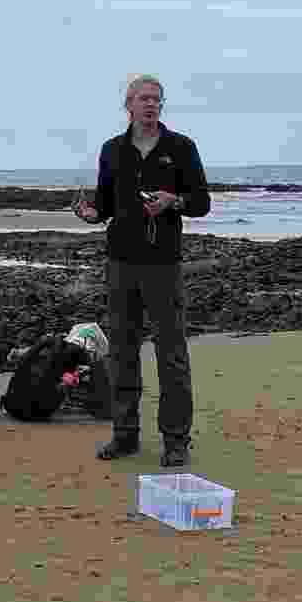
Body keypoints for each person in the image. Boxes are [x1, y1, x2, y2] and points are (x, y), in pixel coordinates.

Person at [72, 74, 209, 468]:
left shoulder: (181, 147)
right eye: (144, 99)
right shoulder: (112, 150)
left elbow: (201, 202)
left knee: (172, 355)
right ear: (128, 105)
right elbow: (105, 206)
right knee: (123, 351)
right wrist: (91, 214)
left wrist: (173, 201)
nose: (151, 105)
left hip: (164, 263)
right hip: (120, 262)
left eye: (157, 100)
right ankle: (125, 434)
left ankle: (176, 440)